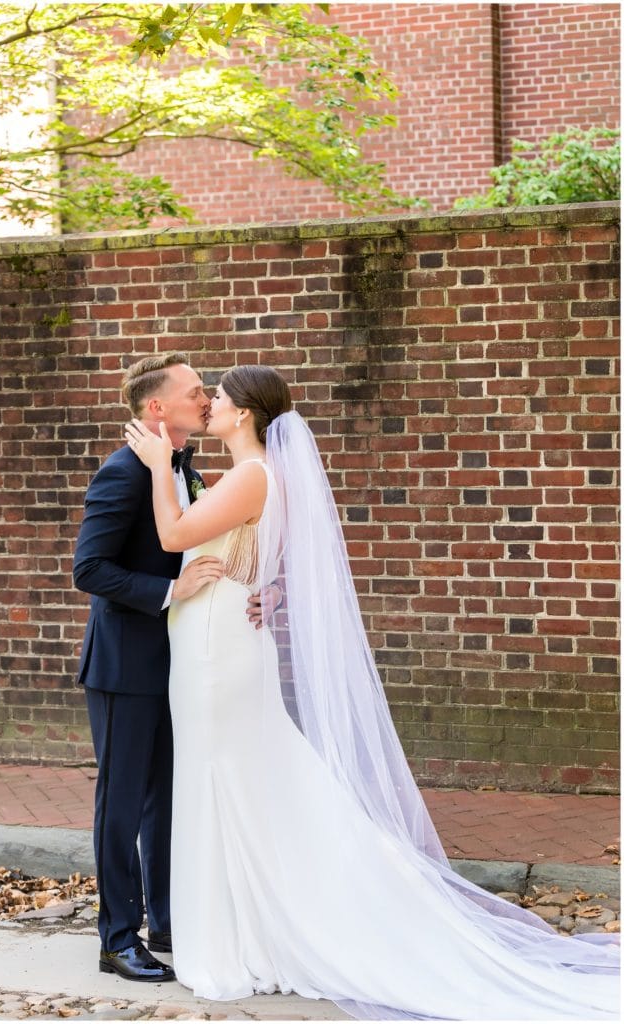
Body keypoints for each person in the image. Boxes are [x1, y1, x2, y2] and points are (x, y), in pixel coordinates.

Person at [125, 364, 619, 1019]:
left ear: (244, 412)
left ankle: (244, 935)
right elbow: (263, 557)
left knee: (226, 779)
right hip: (217, 638)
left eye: (217, 398)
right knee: (243, 780)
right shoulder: (260, 476)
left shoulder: (250, 474)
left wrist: (160, 465)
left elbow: (173, 536)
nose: (209, 404)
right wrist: (265, 588)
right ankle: (248, 923)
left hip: (217, 648)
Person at [73, 353, 268, 982]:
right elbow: (89, 569)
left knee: (167, 802)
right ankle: (117, 939)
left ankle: (166, 919)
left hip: (182, 663)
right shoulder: (123, 471)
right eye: (194, 391)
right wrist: (170, 592)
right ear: (158, 408)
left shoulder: (184, 468)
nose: (206, 398)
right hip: (125, 667)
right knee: (122, 803)